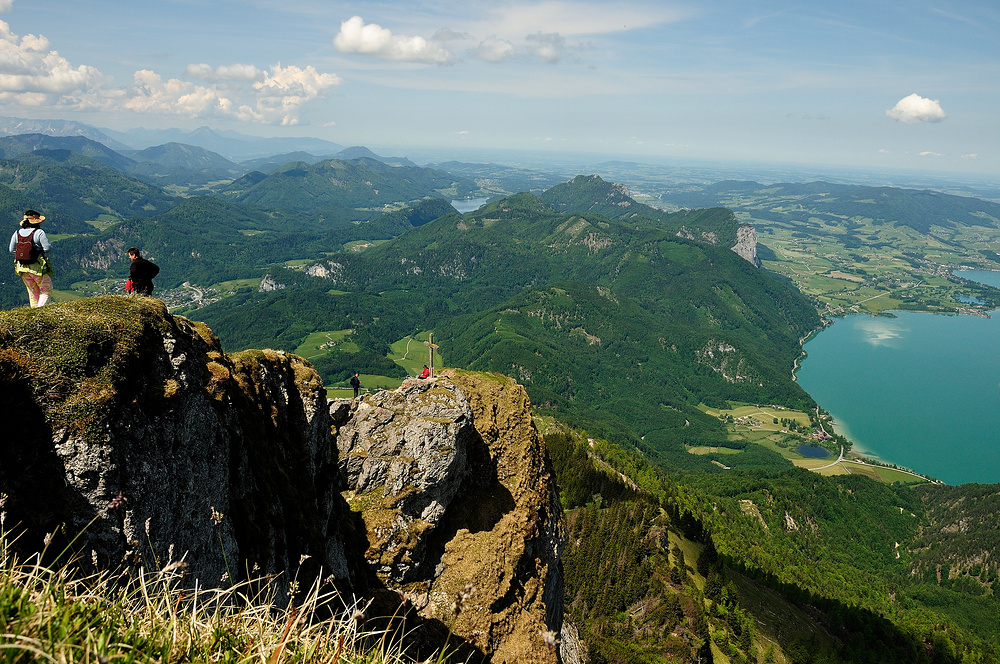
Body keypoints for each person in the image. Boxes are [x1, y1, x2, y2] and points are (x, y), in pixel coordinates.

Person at [9, 210, 54, 308]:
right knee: (46, 289)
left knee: (32, 291)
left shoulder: (17, 233)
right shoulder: (39, 232)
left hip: (22, 267)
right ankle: (39, 312)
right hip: (37, 267)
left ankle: (33, 313)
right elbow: (47, 249)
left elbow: (11, 249)